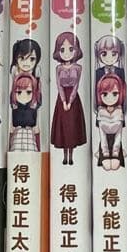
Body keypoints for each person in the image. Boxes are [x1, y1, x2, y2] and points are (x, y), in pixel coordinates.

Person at [50, 30, 87, 165]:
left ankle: (71, 157)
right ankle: (64, 156)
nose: (66, 53)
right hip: (61, 99)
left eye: (71, 49)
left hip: (74, 99)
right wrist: (64, 101)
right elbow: (58, 85)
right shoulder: (58, 68)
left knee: (72, 128)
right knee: (63, 128)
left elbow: (76, 85)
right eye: (62, 49)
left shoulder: (78, 67)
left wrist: (70, 101)